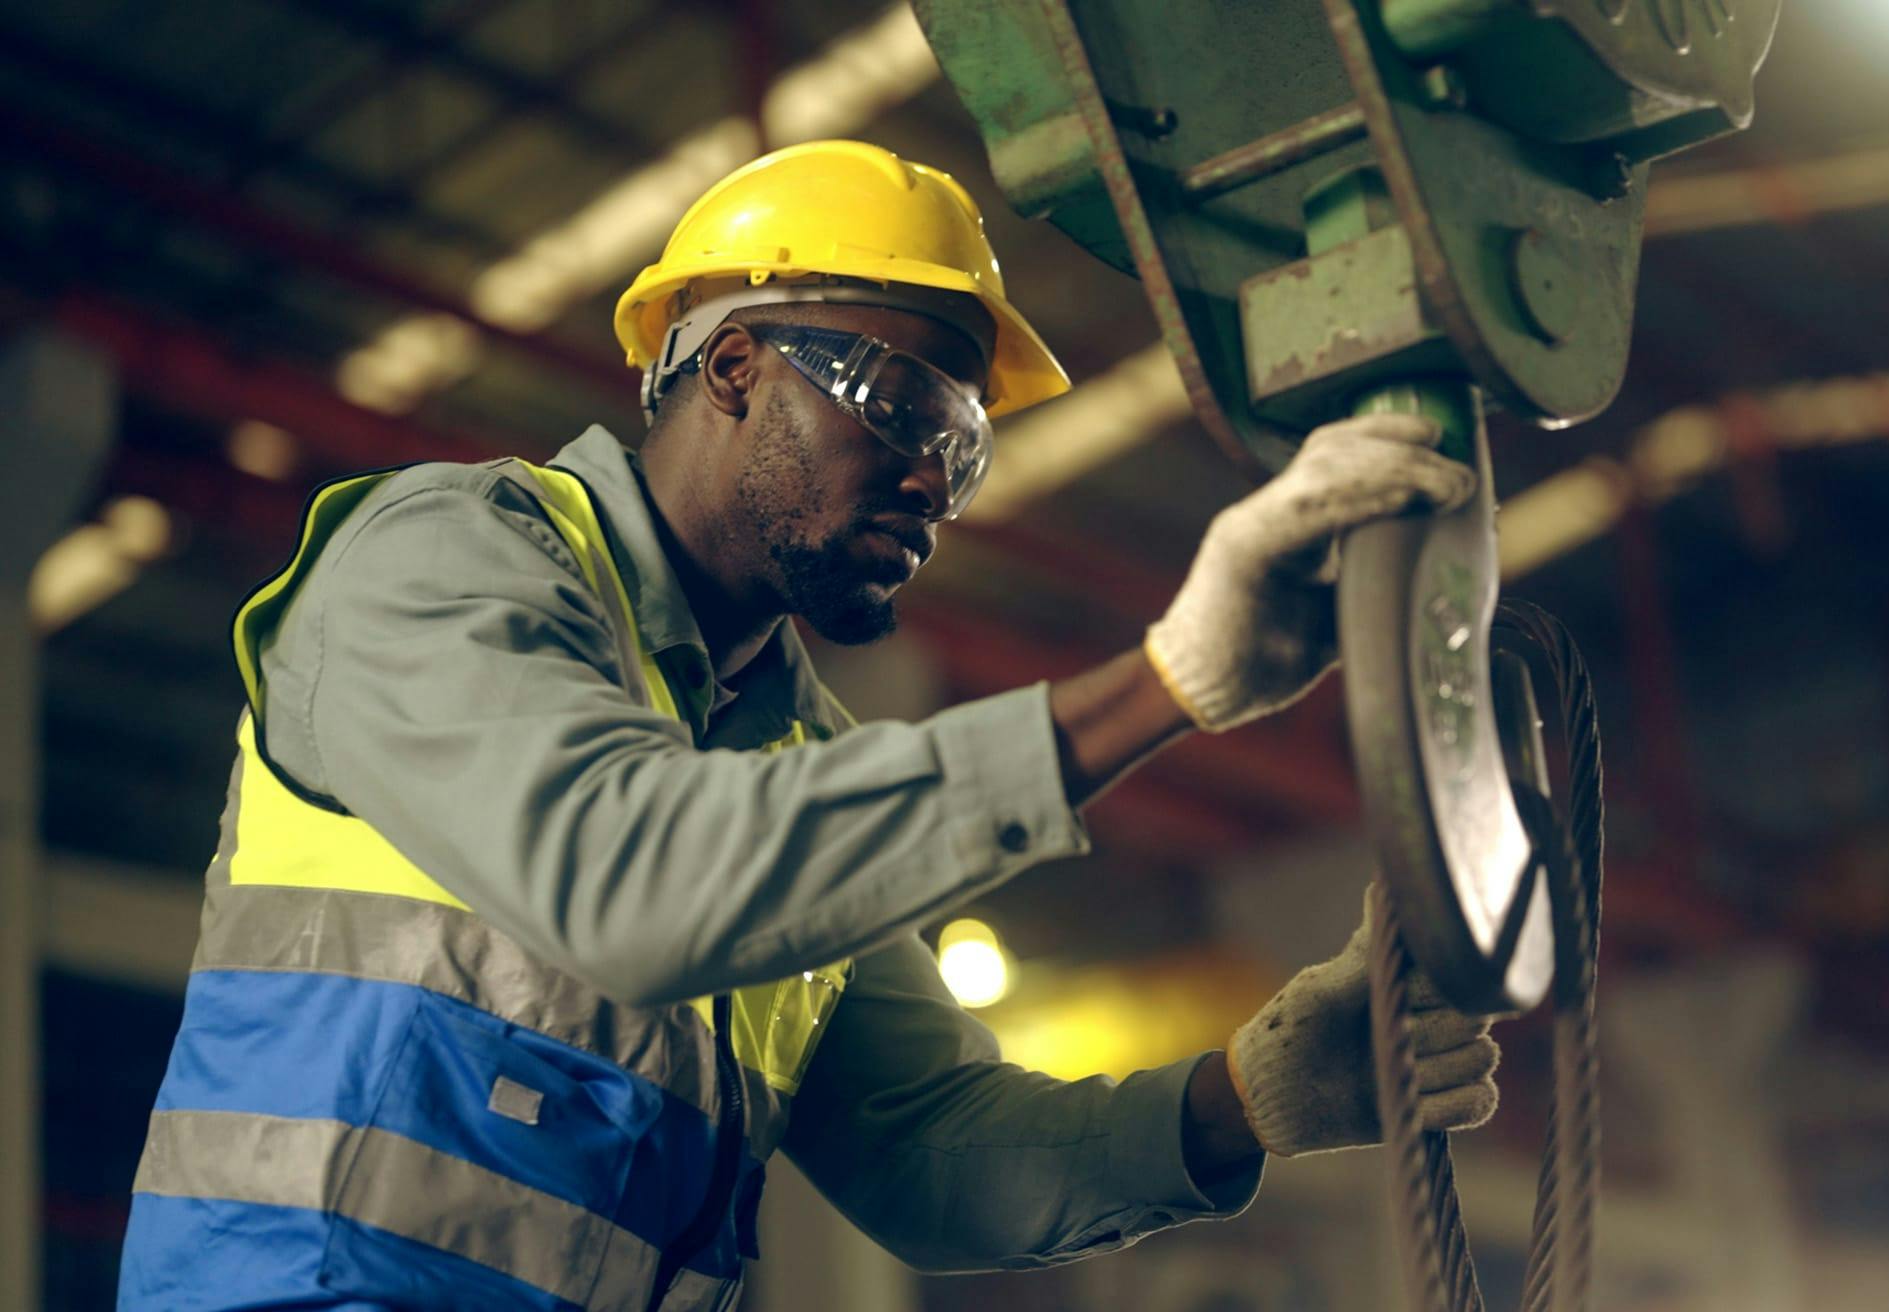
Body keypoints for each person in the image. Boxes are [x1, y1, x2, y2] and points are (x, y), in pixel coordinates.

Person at [118, 140, 1498, 1312]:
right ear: (730, 367)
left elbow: (931, 1152)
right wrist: (1165, 683)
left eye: (962, 447)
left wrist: (1248, 1098)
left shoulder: (797, 770)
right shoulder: (445, 560)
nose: (929, 483)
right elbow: (624, 880)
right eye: (900, 404)